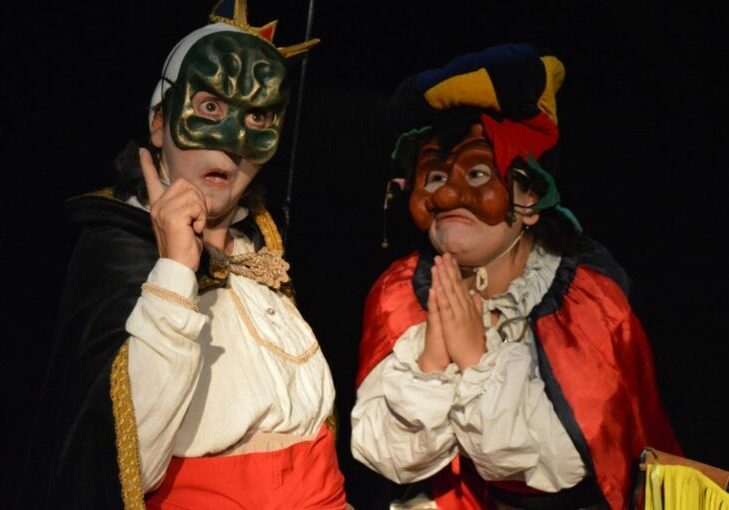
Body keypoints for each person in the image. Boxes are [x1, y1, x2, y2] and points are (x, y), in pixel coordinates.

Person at [22, 1, 347, 508]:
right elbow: (120, 462)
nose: (234, 141)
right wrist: (175, 270)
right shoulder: (120, 249)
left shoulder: (260, 250)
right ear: (159, 122)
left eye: (258, 116)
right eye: (210, 108)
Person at [350, 43, 681, 509]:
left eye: (478, 173)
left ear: (529, 198)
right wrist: (431, 362)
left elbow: (564, 464)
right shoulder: (400, 292)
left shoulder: (585, 300)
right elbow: (389, 457)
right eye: (436, 178)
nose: (446, 198)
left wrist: (474, 361)